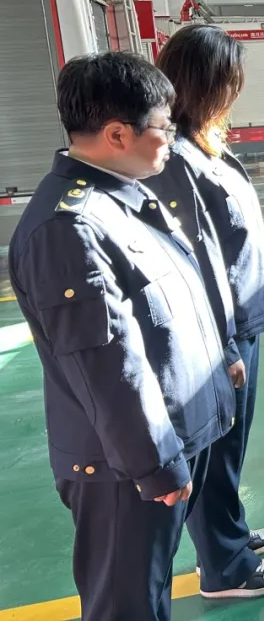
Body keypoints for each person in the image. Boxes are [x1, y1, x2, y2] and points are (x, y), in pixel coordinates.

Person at [7, 52, 236, 621]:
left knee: (148, 593)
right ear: (116, 134)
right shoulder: (70, 229)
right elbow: (108, 368)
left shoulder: (121, 196)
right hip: (122, 467)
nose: (170, 139)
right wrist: (153, 464)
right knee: (126, 606)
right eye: (163, 126)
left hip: (155, 447)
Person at [148, 25, 264, 599]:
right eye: (229, 81)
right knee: (218, 447)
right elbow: (197, 261)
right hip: (219, 335)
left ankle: (227, 534)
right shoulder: (178, 160)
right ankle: (225, 568)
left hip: (240, 324)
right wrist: (226, 345)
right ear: (202, 83)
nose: (236, 92)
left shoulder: (202, 144)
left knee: (232, 445)